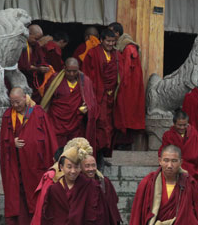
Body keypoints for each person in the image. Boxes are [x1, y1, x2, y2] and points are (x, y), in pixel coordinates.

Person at [0, 87, 57, 225]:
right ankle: (12, 224)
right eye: (12, 103)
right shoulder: (8, 115)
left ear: (25, 98)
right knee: (14, 191)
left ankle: (37, 223)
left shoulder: (38, 113)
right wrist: (13, 142)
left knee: (35, 192)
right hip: (15, 162)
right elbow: (3, 141)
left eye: (17, 102)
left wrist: (55, 160)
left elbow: (50, 137)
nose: (15, 106)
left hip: (36, 162)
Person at [40, 57, 99, 150]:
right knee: (56, 148)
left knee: (74, 149)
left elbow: (92, 102)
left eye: (75, 71)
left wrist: (87, 107)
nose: (72, 74)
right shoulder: (55, 80)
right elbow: (47, 99)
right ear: (64, 68)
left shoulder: (85, 81)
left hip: (76, 122)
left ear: (79, 69)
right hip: (57, 121)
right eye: (69, 71)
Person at [82, 29, 119, 159]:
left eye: (113, 41)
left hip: (111, 97)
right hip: (98, 95)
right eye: (108, 41)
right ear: (101, 40)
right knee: (99, 124)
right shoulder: (92, 54)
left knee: (110, 126)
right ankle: (97, 155)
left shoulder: (117, 55)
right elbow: (86, 76)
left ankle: (104, 154)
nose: (110, 44)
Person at [108, 22, 145, 149]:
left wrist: (119, 86)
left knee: (125, 114)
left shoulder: (128, 47)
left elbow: (126, 71)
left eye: (111, 32)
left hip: (128, 88)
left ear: (117, 34)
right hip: (125, 86)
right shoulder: (121, 46)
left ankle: (125, 143)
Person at [158, 109, 198, 187]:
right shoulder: (168, 135)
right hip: (174, 168)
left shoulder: (193, 133)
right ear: (174, 124)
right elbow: (163, 152)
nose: (182, 127)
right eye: (179, 125)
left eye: (184, 125)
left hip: (191, 169)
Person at [18, 24, 50, 102]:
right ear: (29, 34)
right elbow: (21, 66)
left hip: (33, 79)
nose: (37, 41)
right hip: (21, 78)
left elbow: (42, 59)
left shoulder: (36, 45)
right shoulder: (20, 44)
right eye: (36, 39)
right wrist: (38, 69)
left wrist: (45, 67)